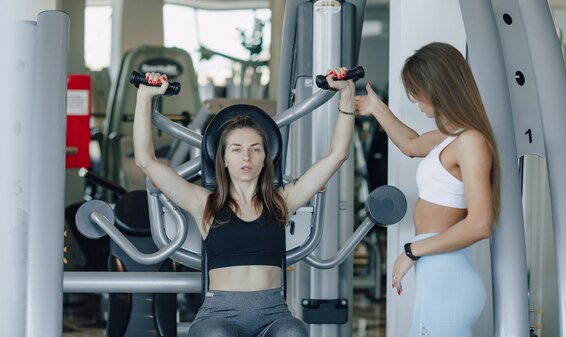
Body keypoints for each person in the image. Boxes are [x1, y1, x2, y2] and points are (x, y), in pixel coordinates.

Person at [133, 68, 355, 337]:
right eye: (236, 149)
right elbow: (146, 160)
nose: (246, 157)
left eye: (255, 149)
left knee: (294, 332)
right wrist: (145, 96)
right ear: (224, 159)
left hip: (273, 315)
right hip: (218, 316)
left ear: (265, 158)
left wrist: (346, 92)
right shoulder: (205, 203)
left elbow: (338, 155)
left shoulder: (282, 201)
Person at [354, 42, 499, 337]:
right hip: (438, 271)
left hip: (448, 275)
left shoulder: (471, 141)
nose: (415, 101)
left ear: (438, 87)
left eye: (417, 92)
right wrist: (376, 107)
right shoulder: (452, 137)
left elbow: (481, 224)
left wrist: (412, 251)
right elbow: (410, 144)